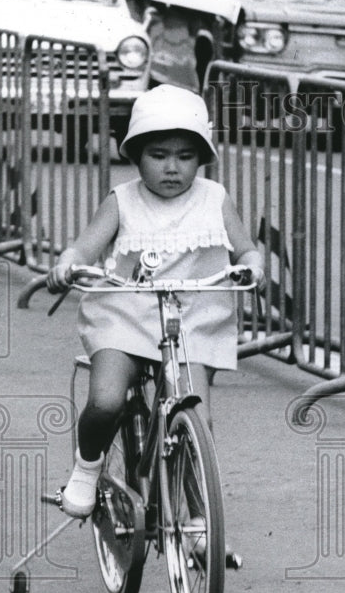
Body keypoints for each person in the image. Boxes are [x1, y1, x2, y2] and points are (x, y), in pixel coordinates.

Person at [47, 85, 264, 519]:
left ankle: (203, 521)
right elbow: (83, 249)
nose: (172, 168)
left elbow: (246, 249)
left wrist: (253, 267)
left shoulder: (214, 199)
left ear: (201, 159)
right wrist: (67, 265)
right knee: (107, 398)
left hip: (190, 319)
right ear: (136, 156)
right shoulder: (122, 200)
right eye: (159, 155)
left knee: (196, 420)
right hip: (124, 312)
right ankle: (87, 467)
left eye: (185, 156)